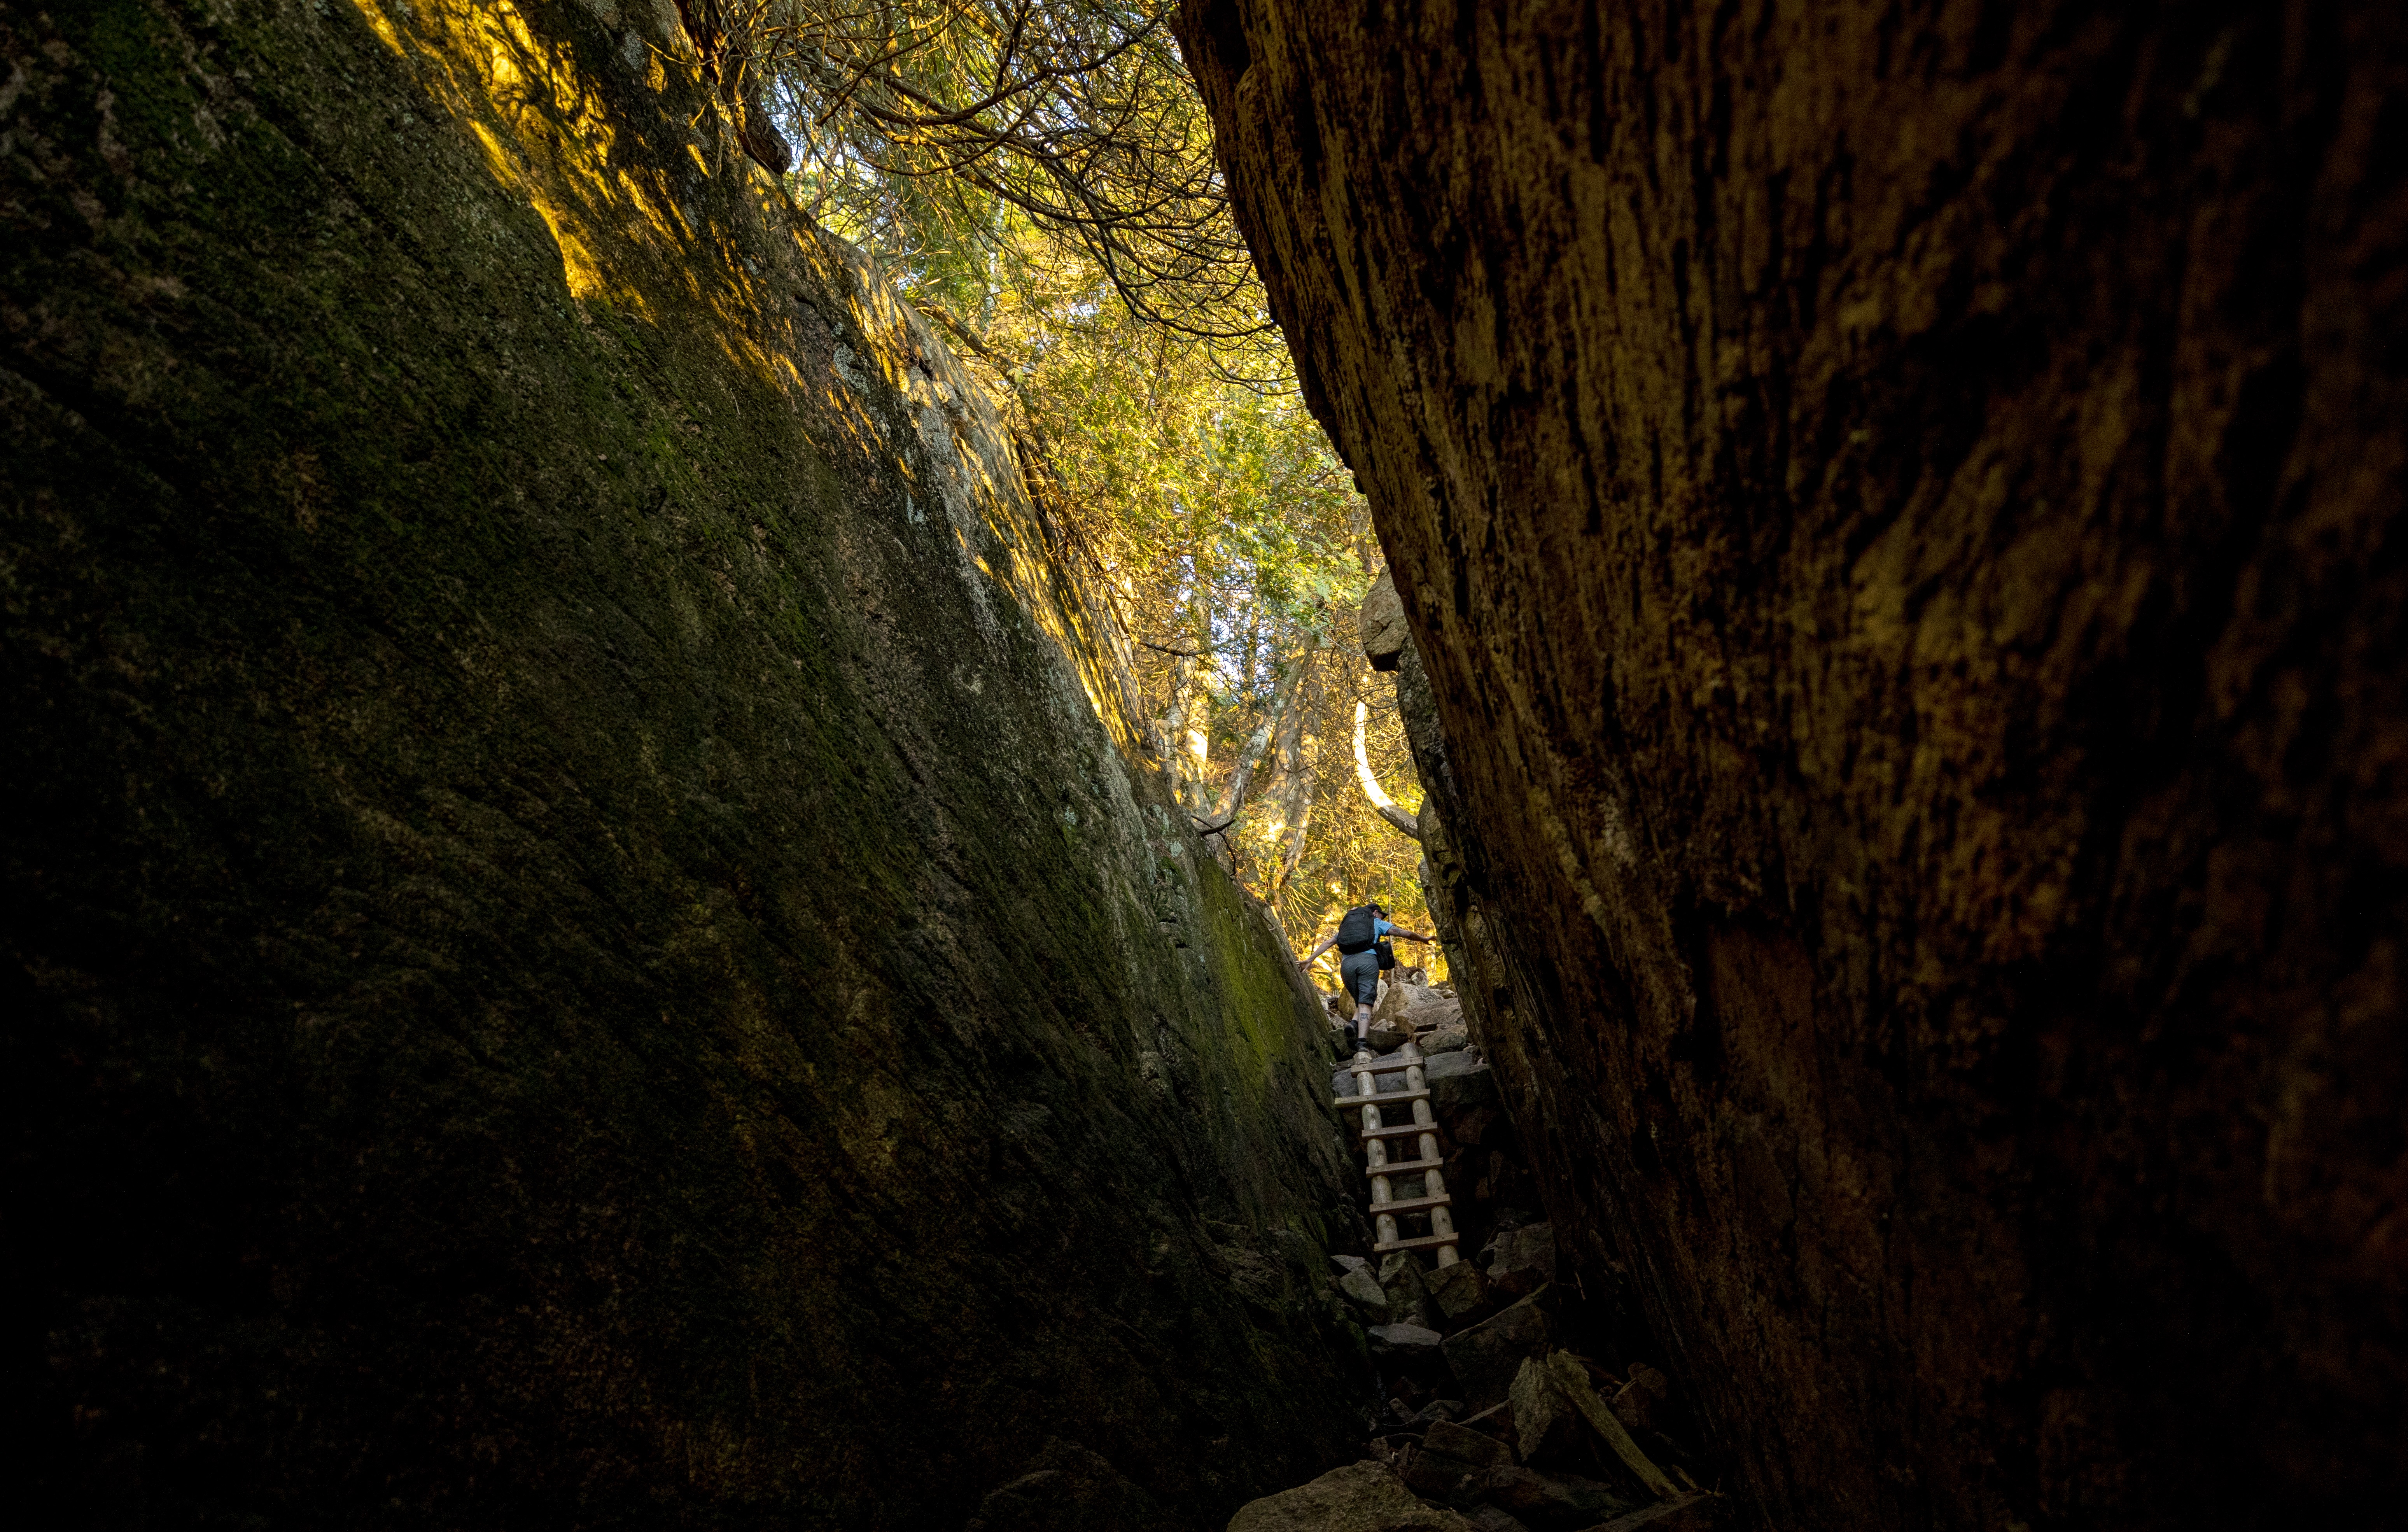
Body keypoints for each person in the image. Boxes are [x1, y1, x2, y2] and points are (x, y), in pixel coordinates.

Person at [1300, 902, 1433, 1052]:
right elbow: (1405, 933)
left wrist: (1310, 960)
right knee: (1366, 1004)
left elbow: (1329, 942)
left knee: (1361, 1001)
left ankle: (1353, 1024)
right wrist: (1423, 939)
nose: (1382, 918)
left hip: (1347, 967)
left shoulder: (1348, 927)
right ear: (1375, 913)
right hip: (1367, 963)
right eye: (1381, 915)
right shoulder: (1376, 922)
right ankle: (1362, 1043)